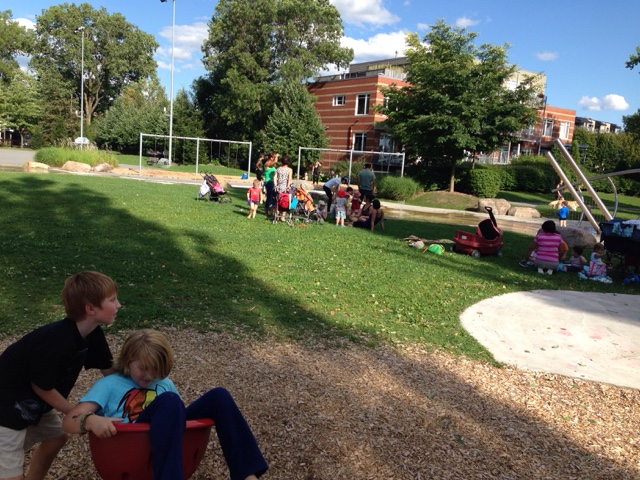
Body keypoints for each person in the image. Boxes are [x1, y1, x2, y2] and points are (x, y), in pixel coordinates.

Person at [62, 330, 268, 480]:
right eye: (143, 368)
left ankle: (247, 475)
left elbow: (177, 418)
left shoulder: (164, 383)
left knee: (219, 396)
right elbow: (69, 420)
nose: (149, 376)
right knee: (170, 400)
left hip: (166, 443)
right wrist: (91, 420)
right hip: (132, 448)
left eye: (156, 369)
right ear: (128, 360)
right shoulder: (109, 384)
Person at [0, 271, 118, 480]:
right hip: (6, 408)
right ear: (91, 309)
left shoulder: (92, 333)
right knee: (10, 461)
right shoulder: (56, 341)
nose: (118, 305)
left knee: (56, 437)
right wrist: (79, 413)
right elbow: (42, 386)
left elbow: (110, 371)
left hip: (34, 403)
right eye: (112, 300)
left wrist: (143, 373)